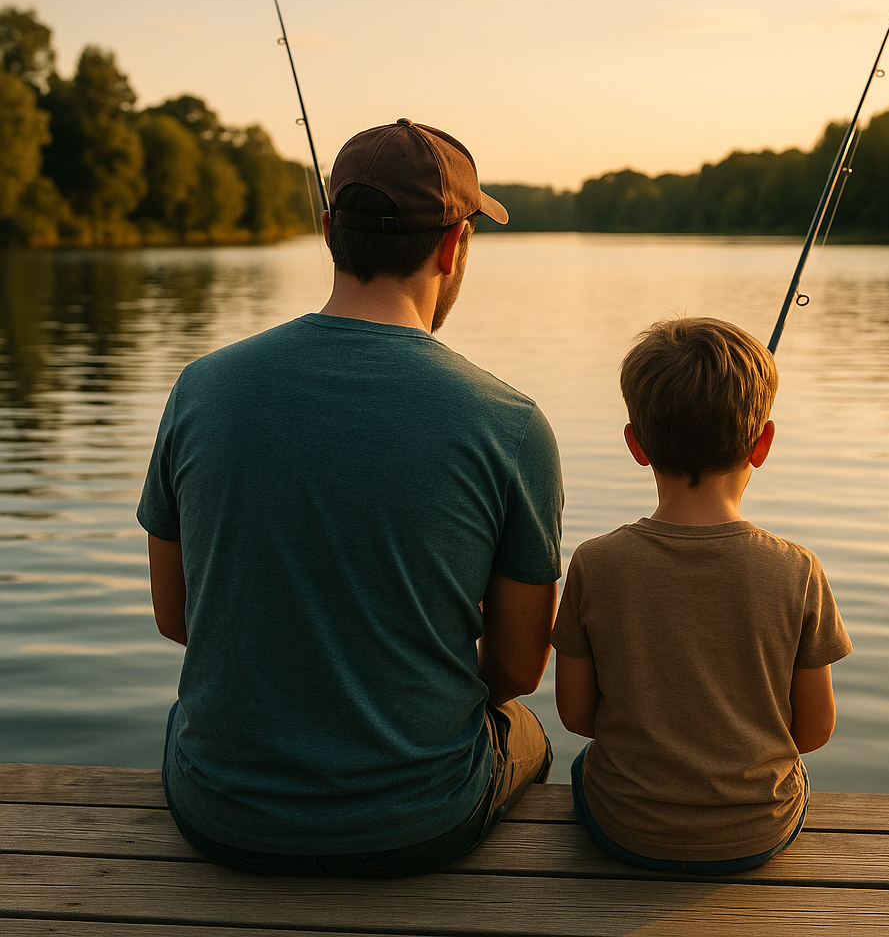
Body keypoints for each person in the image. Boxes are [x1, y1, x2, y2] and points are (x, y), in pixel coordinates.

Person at [137, 119, 563, 878]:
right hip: (420, 824)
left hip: (221, 815)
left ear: (330, 230)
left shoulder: (200, 388)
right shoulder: (511, 423)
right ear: (453, 246)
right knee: (527, 729)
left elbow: (177, 617)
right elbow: (516, 670)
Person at [552, 317, 851, 874]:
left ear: (636, 444)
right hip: (756, 832)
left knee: (584, 765)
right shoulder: (798, 570)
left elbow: (576, 716)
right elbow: (814, 732)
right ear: (762, 444)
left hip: (627, 828)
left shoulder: (594, 563)